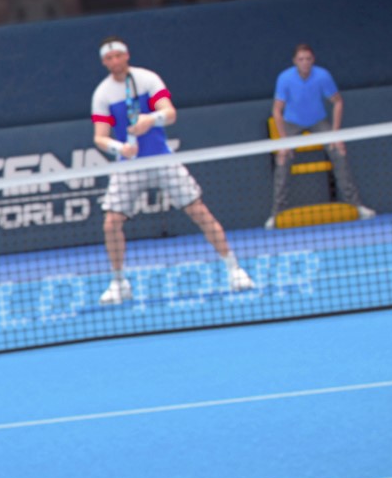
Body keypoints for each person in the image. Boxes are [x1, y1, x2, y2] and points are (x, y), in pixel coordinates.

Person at [91, 37, 254, 304]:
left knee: (199, 211)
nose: (115, 61)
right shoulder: (102, 94)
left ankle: (235, 270)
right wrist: (119, 148)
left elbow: (170, 113)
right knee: (111, 224)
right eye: (109, 58)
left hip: (162, 159)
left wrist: (150, 119)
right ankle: (119, 283)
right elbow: (99, 137)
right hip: (129, 165)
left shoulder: (148, 79)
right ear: (104, 62)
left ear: (126, 55)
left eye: (118, 55)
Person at [266, 43, 372, 228]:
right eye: (301, 59)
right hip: (292, 124)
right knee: (282, 160)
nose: (305, 63)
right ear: (294, 61)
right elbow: (277, 110)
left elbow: (338, 102)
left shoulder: (323, 76)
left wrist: (335, 134)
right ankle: (276, 214)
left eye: (308, 59)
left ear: (313, 60)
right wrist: (284, 142)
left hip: (318, 122)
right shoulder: (284, 78)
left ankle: (357, 206)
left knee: (339, 152)